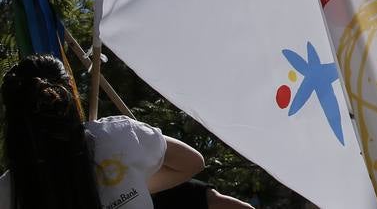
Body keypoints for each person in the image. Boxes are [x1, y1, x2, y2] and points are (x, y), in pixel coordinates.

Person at [0, 54, 253, 209]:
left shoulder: (6, 191)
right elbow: (192, 162)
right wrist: (132, 185)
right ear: (70, 93)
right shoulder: (116, 137)